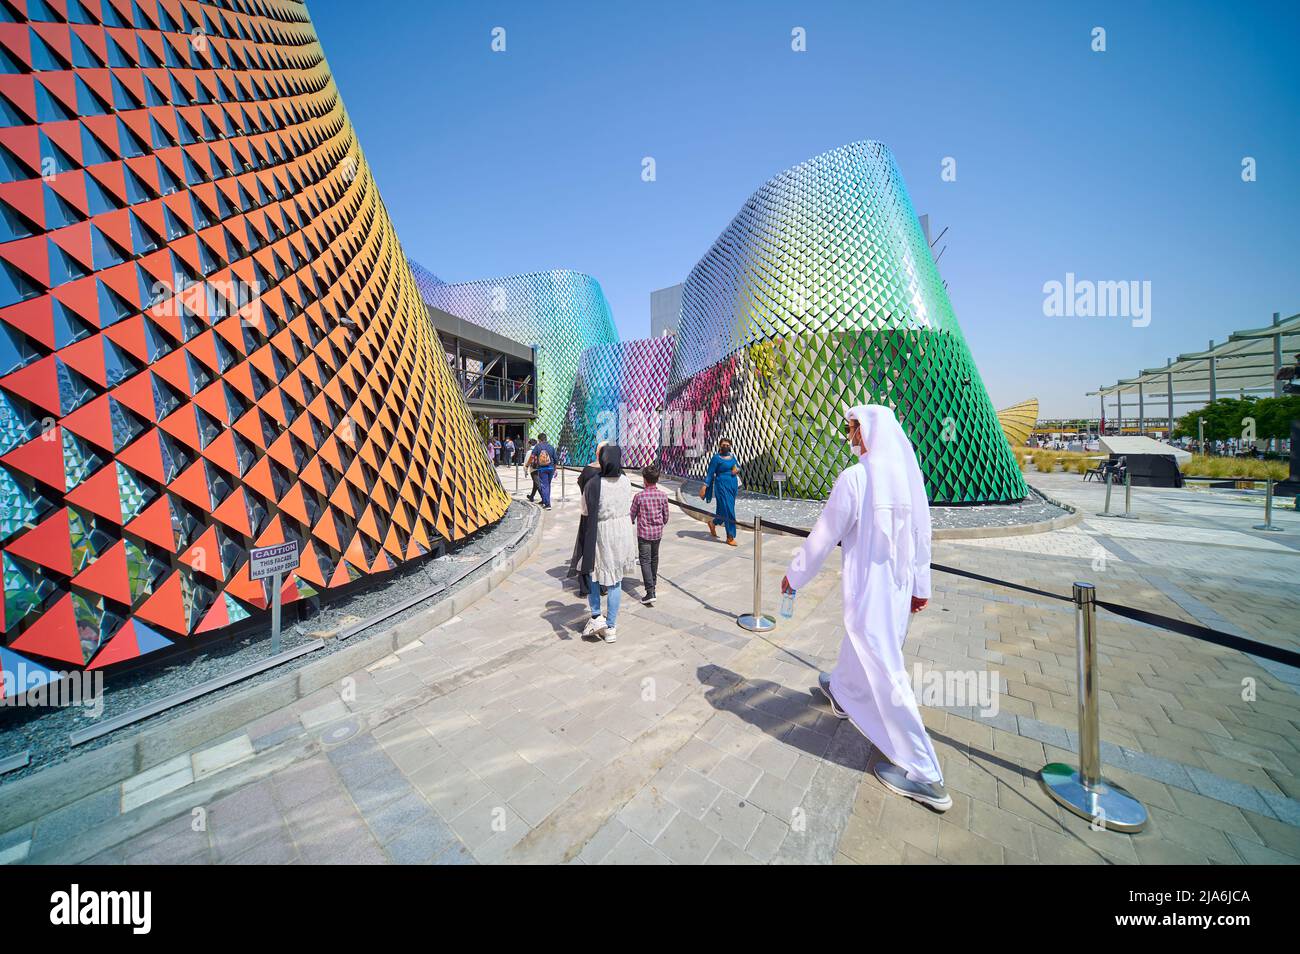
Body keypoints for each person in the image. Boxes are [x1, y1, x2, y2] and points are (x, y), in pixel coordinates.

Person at [780, 404, 950, 812]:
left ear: (866, 431)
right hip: (897, 592)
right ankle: (841, 689)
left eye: (852, 428)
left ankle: (926, 775)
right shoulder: (910, 479)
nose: (850, 435)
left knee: (886, 671)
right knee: (863, 648)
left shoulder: (855, 479)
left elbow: (824, 535)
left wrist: (794, 577)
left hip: (871, 594)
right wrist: (920, 586)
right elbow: (922, 534)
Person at [569, 444, 636, 642]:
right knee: (616, 581)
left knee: (595, 575)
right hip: (623, 532)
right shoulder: (626, 481)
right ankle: (612, 628)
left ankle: (597, 617)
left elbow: (585, 511)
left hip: (602, 533)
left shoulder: (594, 483)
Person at [630, 464, 669, 606]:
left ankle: (650, 592)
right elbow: (666, 516)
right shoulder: (663, 496)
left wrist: (633, 521)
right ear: (657, 479)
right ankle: (653, 581)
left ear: (644, 480)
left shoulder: (639, 496)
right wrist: (659, 524)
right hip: (657, 533)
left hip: (644, 534)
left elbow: (632, 514)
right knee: (654, 558)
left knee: (645, 560)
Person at [698, 438, 739, 546]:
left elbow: (737, 466)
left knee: (723, 510)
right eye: (724, 445)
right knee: (729, 510)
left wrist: (737, 469)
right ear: (720, 446)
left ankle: (713, 523)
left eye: (728, 445)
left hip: (732, 485)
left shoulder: (732, 456)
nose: (726, 446)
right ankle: (730, 537)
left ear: (730, 446)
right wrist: (704, 487)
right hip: (721, 486)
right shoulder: (716, 458)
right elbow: (710, 473)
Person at [529, 432, 557, 509]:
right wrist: (555, 469)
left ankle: (547, 504)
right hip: (550, 468)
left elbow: (532, 456)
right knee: (548, 485)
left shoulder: (538, 447)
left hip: (542, 469)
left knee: (544, 486)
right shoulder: (551, 447)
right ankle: (545, 500)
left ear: (539, 439)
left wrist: (528, 464)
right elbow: (555, 459)